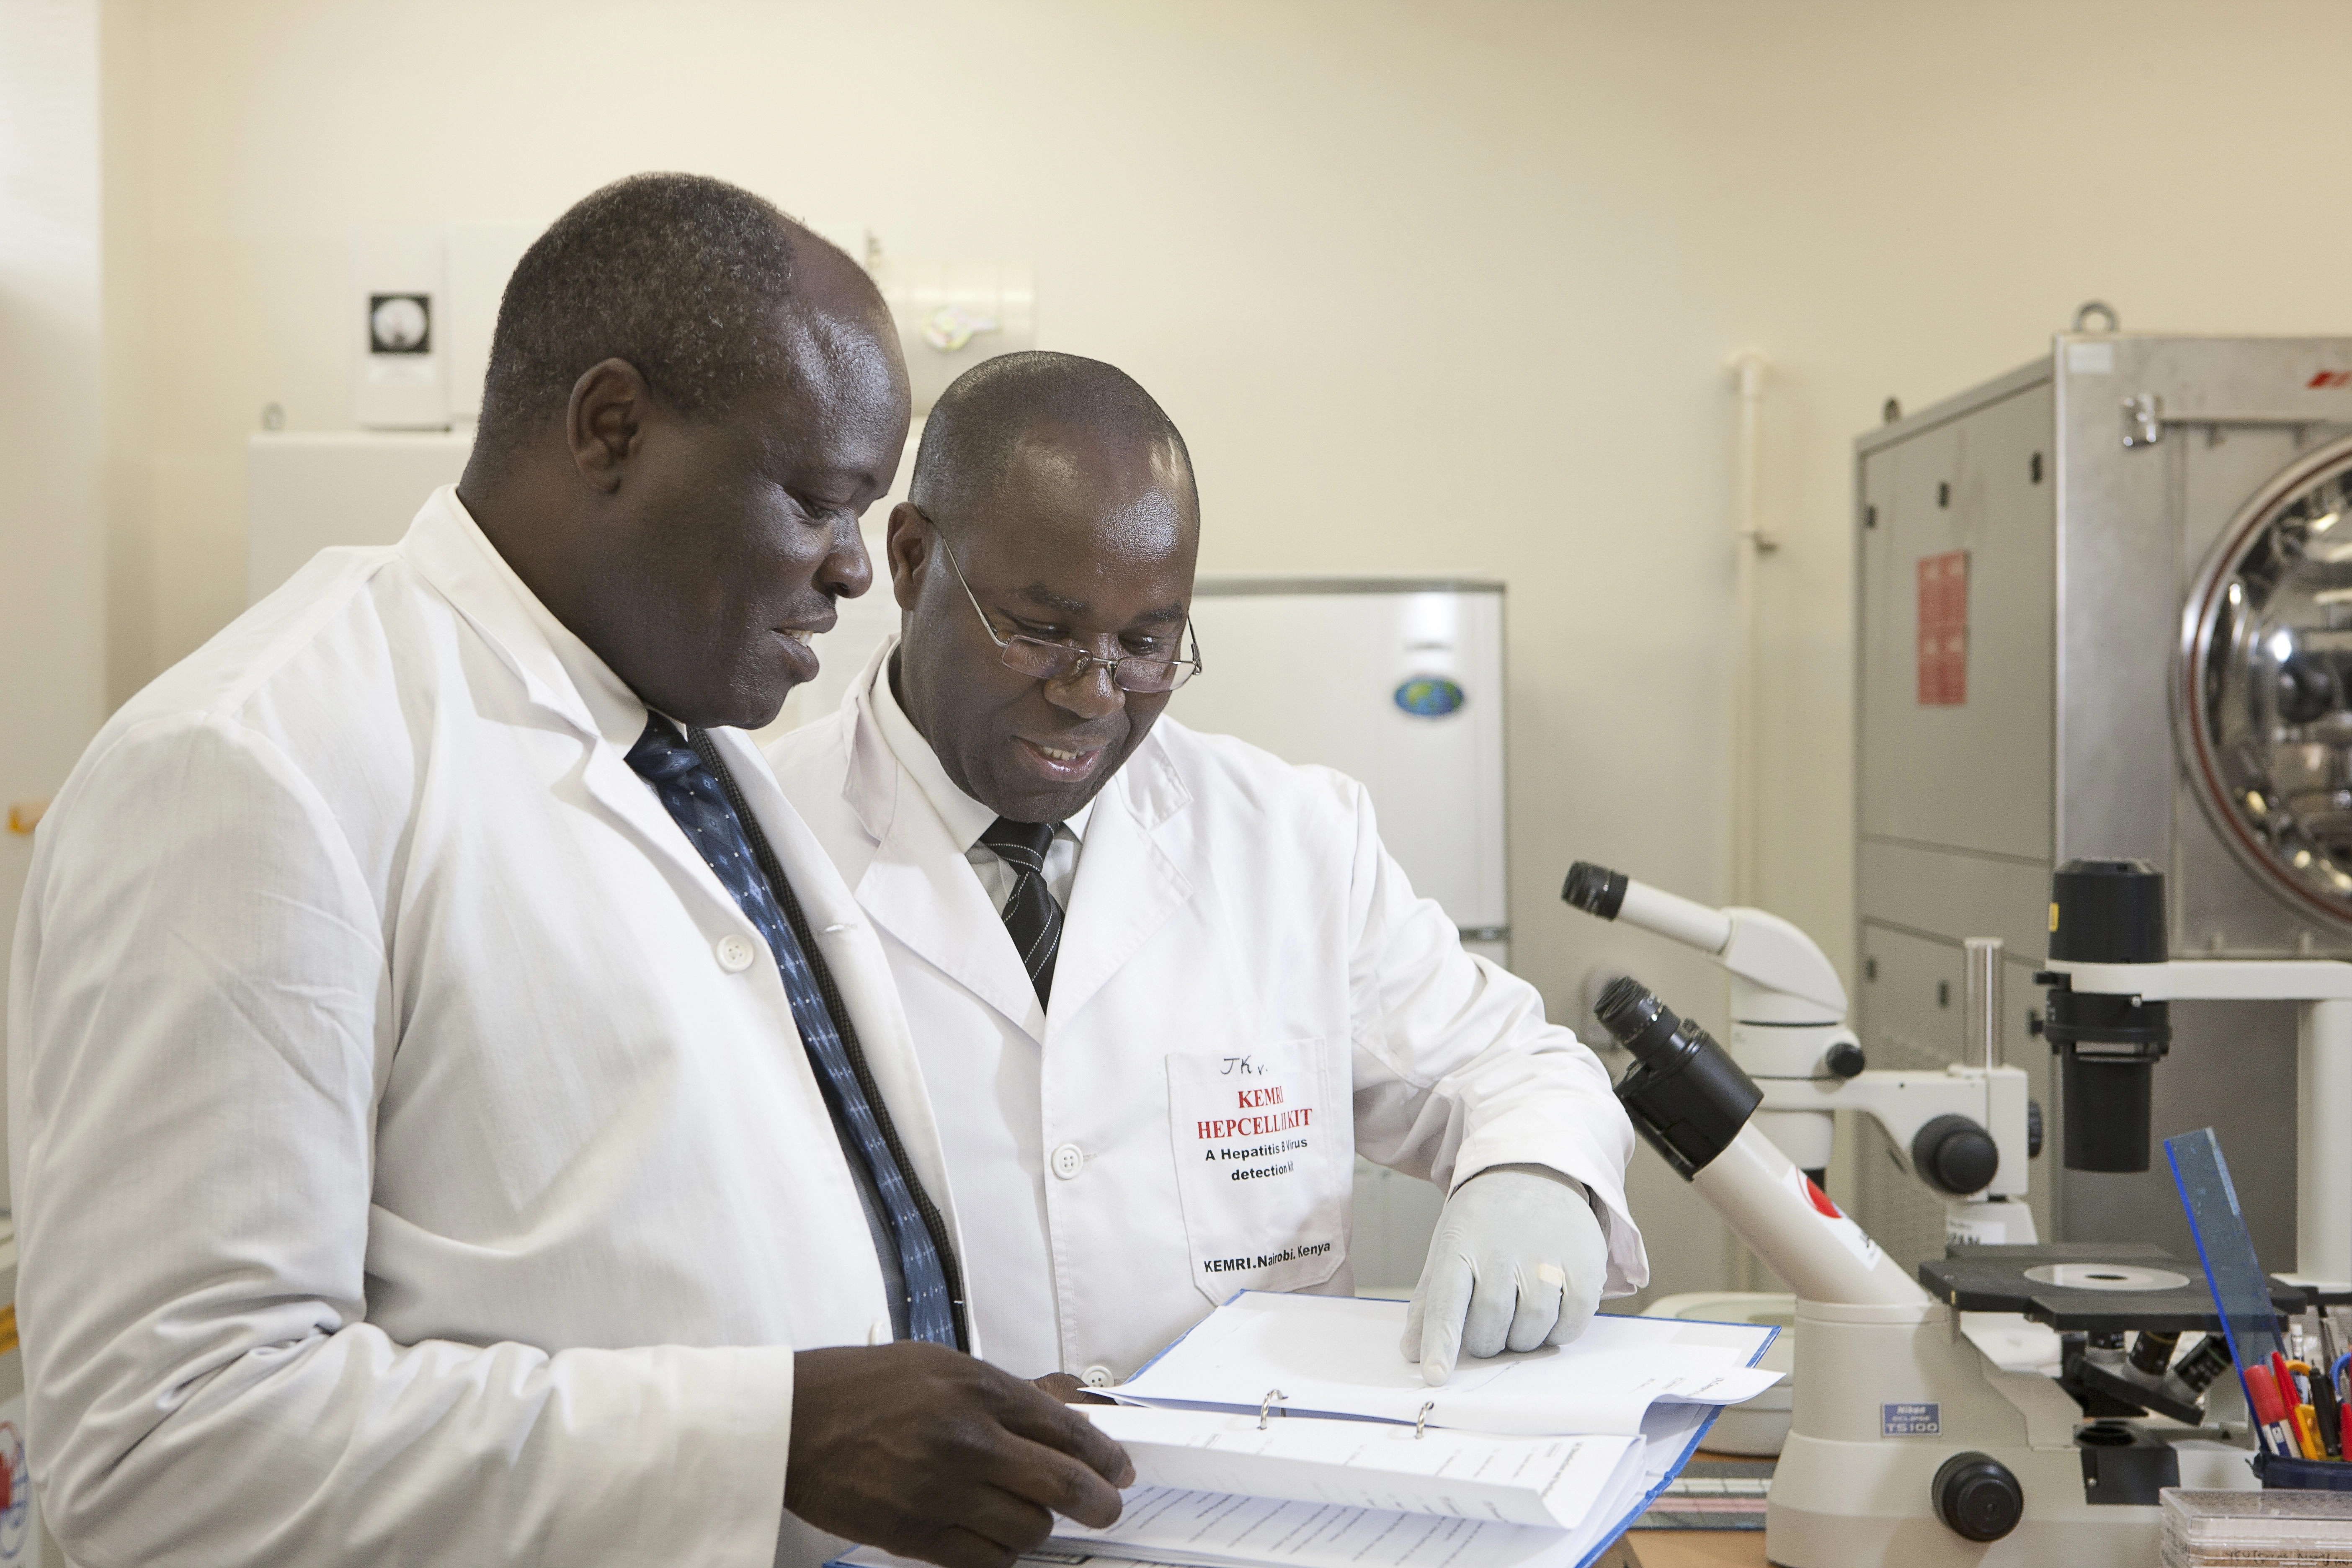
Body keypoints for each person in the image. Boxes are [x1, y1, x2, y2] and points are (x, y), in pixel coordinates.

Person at [8, 175, 1129, 1568]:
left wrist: (956, 1422)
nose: (854, 572)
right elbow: (164, 1442)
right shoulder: (253, 764)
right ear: (611, 427)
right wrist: (768, 1444)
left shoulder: (679, 735)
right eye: (813, 499)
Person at [767, 352, 1648, 1392]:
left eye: (1147, 644)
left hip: (1257, 1518)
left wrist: (1533, 1173)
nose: (1094, 696)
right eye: (1040, 632)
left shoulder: (1291, 837)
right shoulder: (758, 839)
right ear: (911, 560)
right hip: (906, 1548)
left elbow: (1512, 1065)